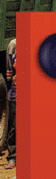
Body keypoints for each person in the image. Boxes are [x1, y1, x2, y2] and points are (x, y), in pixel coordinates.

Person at [4, 38, 16, 171]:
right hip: (17, 90)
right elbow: (9, 69)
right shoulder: (14, 44)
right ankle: (12, 156)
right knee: (14, 124)